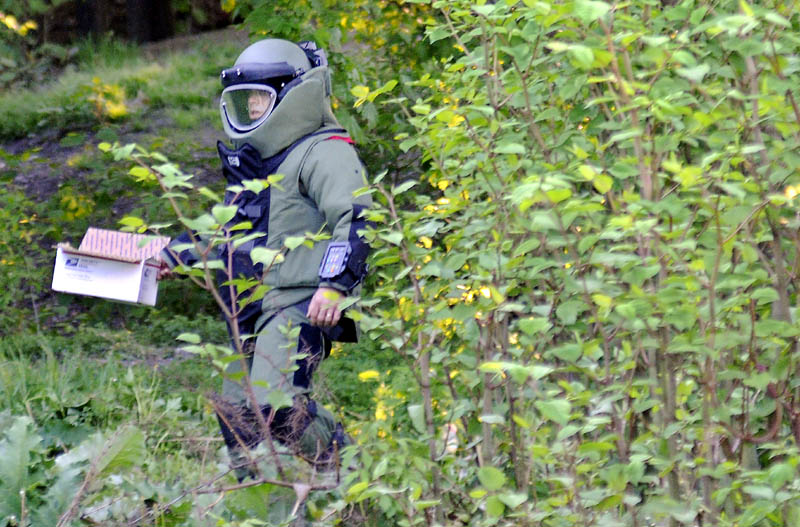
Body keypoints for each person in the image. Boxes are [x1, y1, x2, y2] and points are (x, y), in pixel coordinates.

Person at [159, 39, 371, 479]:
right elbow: (229, 231)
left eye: (260, 98)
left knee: (277, 409)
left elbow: (357, 215)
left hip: (297, 300)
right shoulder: (254, 164)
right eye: (244, 99)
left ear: (294, 96)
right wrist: (173, 255)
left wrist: (334, 285)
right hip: (250, 305)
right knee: (236, 413)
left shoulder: (324, 151)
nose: (252, 109)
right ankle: (259, 503)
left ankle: (360, 482)